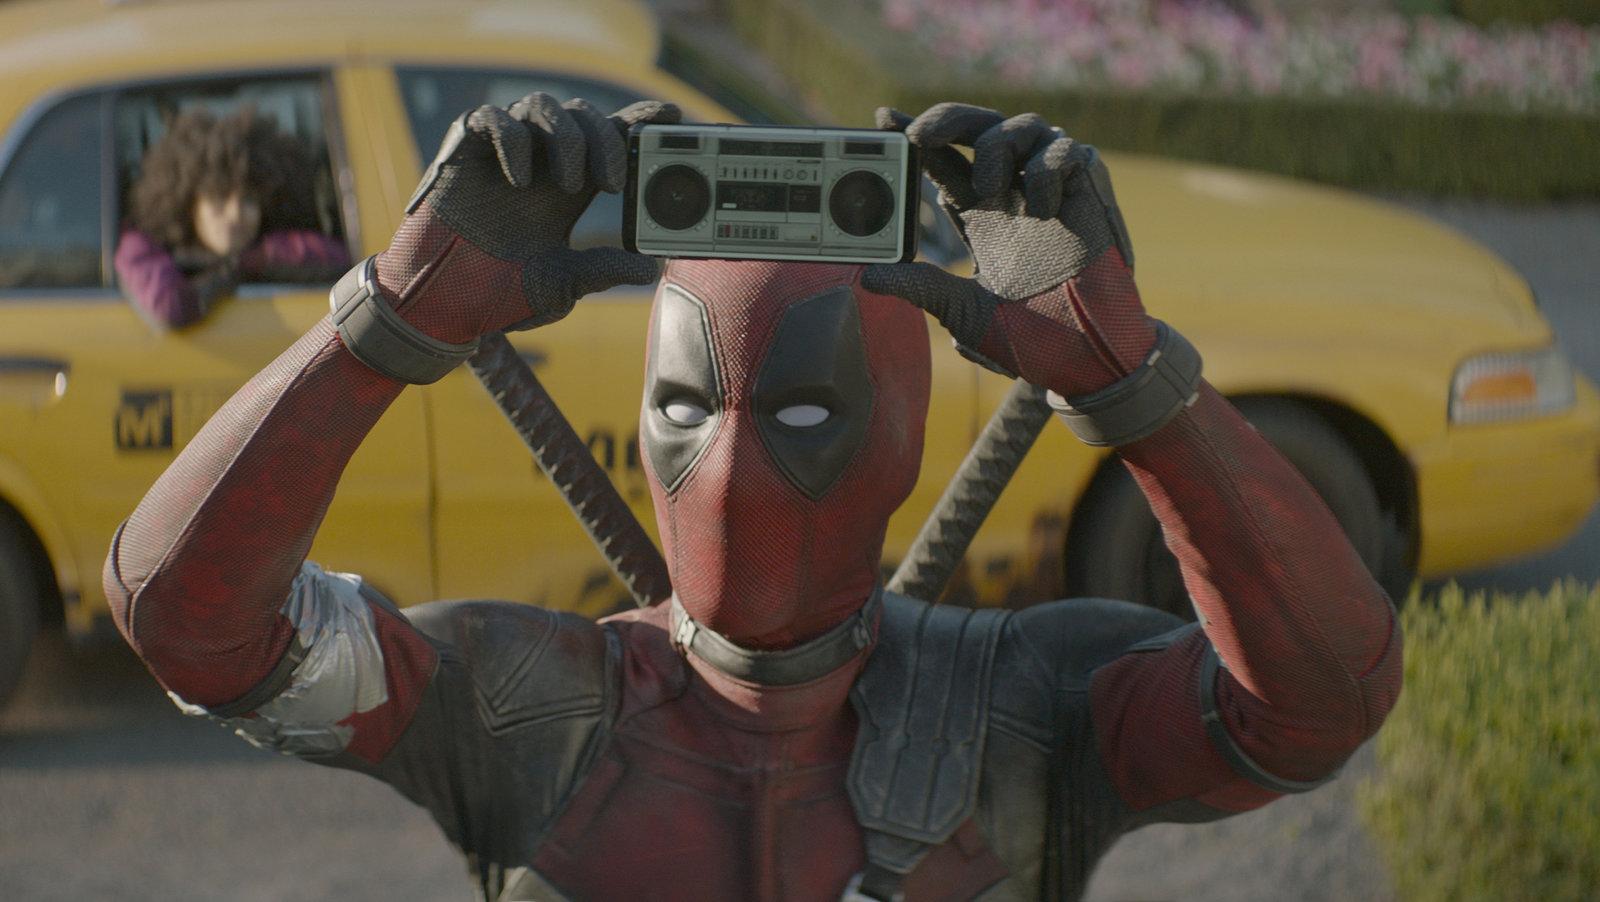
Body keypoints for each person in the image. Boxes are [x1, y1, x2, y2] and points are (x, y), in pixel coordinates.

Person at [103, 94, 1401, 901]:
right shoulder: (520, 707)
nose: (727, 473)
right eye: (685, 407)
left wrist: (1136, 387)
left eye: (802, 413)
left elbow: (1320, 701)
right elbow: (184, 619)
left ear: (897, 435)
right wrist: (391, 318)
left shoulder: (1029, 712)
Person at [114, 107, 350, 328]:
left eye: (248, 201)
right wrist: (227, 273)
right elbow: (172, 307)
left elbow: (340, 259)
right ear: (188, 204)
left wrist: (256, 258)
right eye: (218, 197)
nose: (235, 214)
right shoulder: (145, 249)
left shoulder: (266, 248)